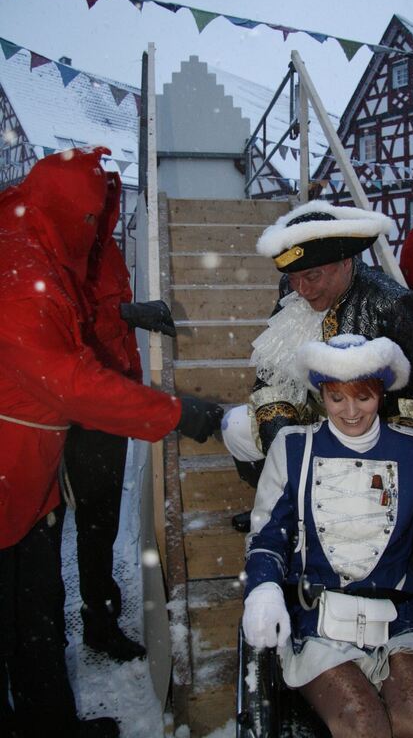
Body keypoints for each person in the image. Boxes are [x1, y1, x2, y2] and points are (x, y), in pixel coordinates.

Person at [0, 148, 222, 738]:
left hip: (26, 483)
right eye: (94, 215)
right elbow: (70, 380)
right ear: (73, 212)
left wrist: (123, 314)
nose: (99, 225)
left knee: (35, 610)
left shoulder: (35, 247)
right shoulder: (25, 275)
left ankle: (49, 724)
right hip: (8, 480)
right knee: (16, 616)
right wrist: (174, 412)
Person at [242, 334, 413, 738]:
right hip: (319, 624)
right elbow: (270, 535)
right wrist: (264, 589)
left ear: (381, 393)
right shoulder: (294, 448)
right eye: (337, 398)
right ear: (322, 394)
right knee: (363, 726)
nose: (351, 412)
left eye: (364, 397)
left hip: (399, 622)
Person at [222, 202, 413, 528]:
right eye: (293, 277)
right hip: (316, 413)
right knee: (237, 426)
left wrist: (369, 440)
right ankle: (286, 508)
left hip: (373, 423)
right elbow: (271, 373)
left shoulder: (393, 304)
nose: (301, 289)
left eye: (312, 276)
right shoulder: (295, 288)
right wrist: (281, 434)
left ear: (346, 262)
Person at [62, 171, 177, 663]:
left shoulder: (101, 244)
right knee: (91, 521)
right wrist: (129, 314)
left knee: (101, 519)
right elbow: (74, 321)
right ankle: (98, 623)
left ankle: (100, 616)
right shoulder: (68, 247)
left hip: (111, 393)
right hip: (87, 404)